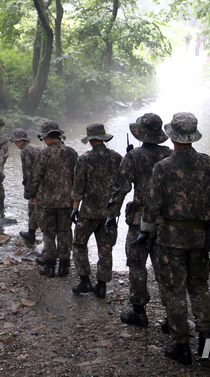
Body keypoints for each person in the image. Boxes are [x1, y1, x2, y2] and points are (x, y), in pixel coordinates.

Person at [141, 112, 210, 365]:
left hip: (170, 239)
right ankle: (206, 341)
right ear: (193, 136)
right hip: (200, 237)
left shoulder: (163, 166)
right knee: (199, 287)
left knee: (175, 290)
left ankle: (180, 345)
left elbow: (151, 208)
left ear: (171, 136)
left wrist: (145, 232)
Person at [108, 113, 172, 326]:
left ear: (140, 134)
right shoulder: (170, 155)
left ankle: (139, 311)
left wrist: (112, 214)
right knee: (165, 266)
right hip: (165, 221)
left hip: (139, 220)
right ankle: (171, 316)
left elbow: (121, 188)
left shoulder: (133, 156)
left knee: (137, 264)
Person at [70, 123, 122, 299]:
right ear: (103, 138)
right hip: (110, 213)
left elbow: (78, 186)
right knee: (105, 248)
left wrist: (75, 208)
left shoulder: (84, 159)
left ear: (90, 139)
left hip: (88, 212)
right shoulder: (117, 158)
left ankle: (85, 280)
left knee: (79, 243)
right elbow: (123, 185)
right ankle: (101, 286)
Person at [26, 120, 78, 278]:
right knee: (65, 232)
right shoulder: (72, 152)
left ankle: (49, 267)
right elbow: (78, 177)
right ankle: (64, 267)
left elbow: (35, 177)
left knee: (48, 234)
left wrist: (30, 194)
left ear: (47, 137)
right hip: (67, 201)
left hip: (46, 202)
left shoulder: (44, 154)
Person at [11, 129, 41, 244]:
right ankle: (33, 233)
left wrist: (29, 191)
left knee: (33, 208)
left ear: (19, 140)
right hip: (43, 182)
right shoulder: (36, 147)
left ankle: (31, 234)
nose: (15, 144)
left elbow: (27, 173)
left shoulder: (25, 151)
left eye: (15, 141)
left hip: (36, 184)